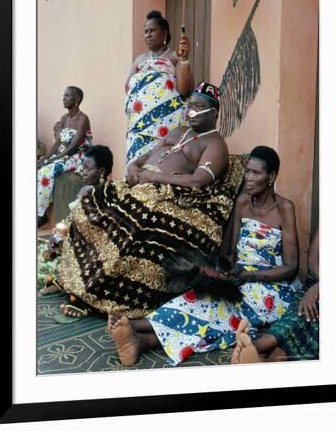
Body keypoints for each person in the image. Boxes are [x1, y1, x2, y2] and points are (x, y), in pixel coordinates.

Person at [58, 83, 247, 318]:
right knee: (91, 200)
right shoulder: (178, 132)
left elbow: (198, 181)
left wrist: (154, 177)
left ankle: (101, 293)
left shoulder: (215, 144)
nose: (192, 111)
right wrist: (133, 166)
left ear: (214, 113)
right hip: (139, 182)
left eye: (199, 106)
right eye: (190, 105)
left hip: (164, 192)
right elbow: (147, 155)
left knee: (133, 218)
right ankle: (80, 278)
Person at [106, 146, 301, 367]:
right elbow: (229, 251)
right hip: (241, 277)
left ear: (272, 176)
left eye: (256, 173)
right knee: (199, 297)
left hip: (272, 286)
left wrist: (251, 276)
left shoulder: (285, 208)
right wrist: (221, 273)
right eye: (247, 171)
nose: (248, 178)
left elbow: (291, 267)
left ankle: (136, 330)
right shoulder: (243, 202)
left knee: (217, 310)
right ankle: (138, 337)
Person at [231, 228, 319, 364]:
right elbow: (313, 260)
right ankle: (254, 350)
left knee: (314, 320)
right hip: (316, 281)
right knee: (301, 312)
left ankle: (259, 353)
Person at [38, 145, 114, 297]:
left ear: (101, 171)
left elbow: (96, 228)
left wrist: (65, 240)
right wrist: (58, 235)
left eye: (88, 168)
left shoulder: (105, 194)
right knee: (42, 255)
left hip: (94, 247)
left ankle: (61, 282)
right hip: (76, 240)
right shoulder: (85, 189)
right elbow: (72, 218)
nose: (83, 172)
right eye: (83, 167)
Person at [125, 10, 195, 164]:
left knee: (160, 164)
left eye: (152, 30)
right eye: (145, 31)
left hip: (166, 123)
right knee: (136, 168)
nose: (147, 35)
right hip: (140, 126)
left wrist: (184, 59)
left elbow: (185, 90)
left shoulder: (175, 56)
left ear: (164, 33)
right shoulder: (140, 60)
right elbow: (128, 88)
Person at [37, 86, 92, 226]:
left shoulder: (83, 119)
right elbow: (56, 144)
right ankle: (38, 206)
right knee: (39, 167)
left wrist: (53, 160)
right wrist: (46, 158)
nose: (64, 98)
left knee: (46, 171)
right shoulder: (64, 118)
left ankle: (41, 214)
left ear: (77, 99)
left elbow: (73, 147)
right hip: (62, 155)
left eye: (68, 96)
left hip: (76, 157)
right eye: (64, 95)